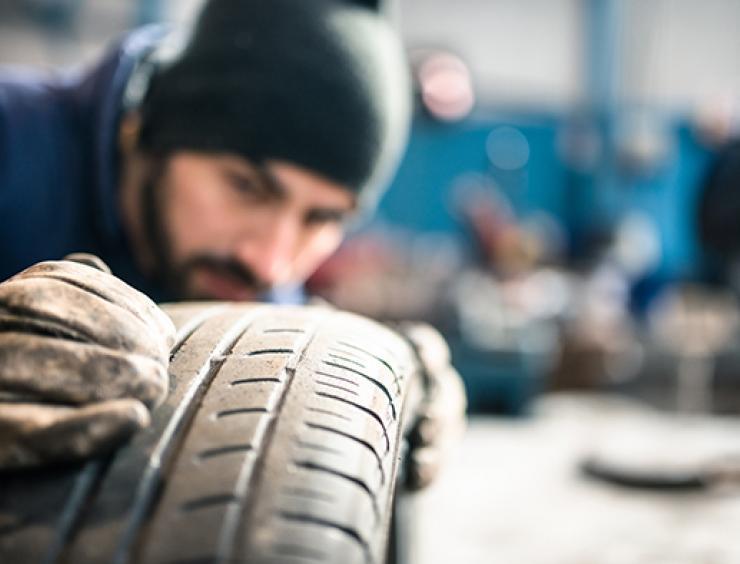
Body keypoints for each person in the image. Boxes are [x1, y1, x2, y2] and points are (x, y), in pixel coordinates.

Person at [0, 0, 465, 486]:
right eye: (246, 187)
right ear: (147, 128)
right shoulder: (11, 137)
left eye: (321, 218)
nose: (270, 262)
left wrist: (380, 388)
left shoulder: (252, 281)